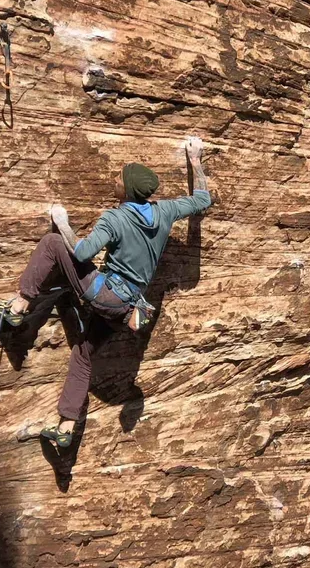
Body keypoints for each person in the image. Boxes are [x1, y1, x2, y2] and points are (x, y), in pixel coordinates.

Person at [11, 136, 212, 447]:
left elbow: (81, 253)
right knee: (83, 353)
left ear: (128, 190)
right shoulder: (165, 211)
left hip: (105, 294)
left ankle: (19, 305)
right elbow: (202, 199)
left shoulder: (115, 218)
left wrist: (63, 223)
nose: (114, 180)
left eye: (119, 178)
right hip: (127, 309)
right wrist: (195, 159)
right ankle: (66, 426)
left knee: (52, 243)